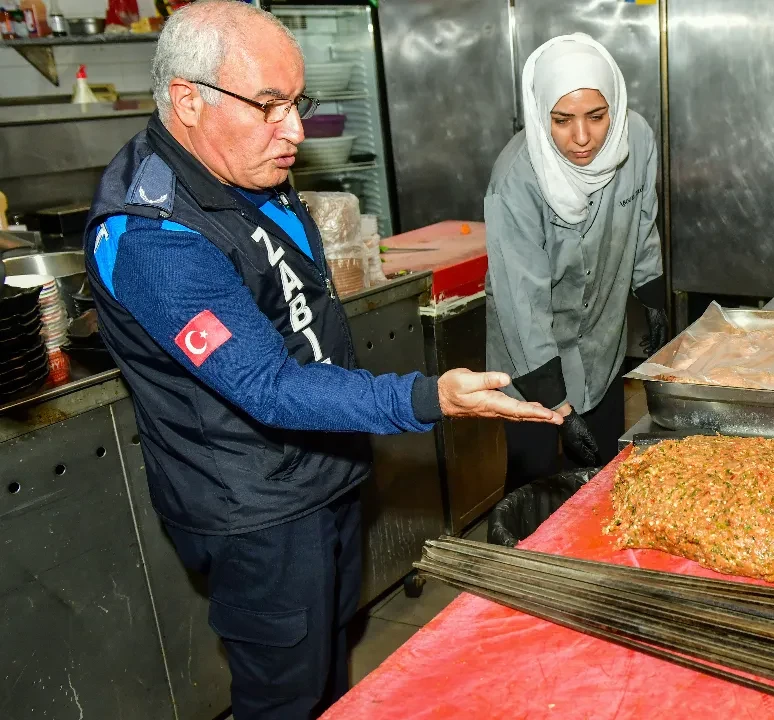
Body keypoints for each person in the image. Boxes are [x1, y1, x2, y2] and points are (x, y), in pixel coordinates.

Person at [82, 3, 560, 718]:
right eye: (270, 106)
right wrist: (430, 397)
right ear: (188, 100)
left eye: (297, 102)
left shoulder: (240, 162)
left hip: (322, 473)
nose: (297, 132)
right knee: (286, 694)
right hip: (260, 511)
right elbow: (268, 387)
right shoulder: (154, 237)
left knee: (336, 662)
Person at [485, 33, 668, 492]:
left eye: (597, 117)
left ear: (616, 109)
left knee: (606, 482)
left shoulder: (637, 140)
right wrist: (558, 409)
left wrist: (656, 302)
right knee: (534, 487)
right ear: (540, 111)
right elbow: (521, 305)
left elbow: (644, 224)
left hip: (602, 346)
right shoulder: (516, 179)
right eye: (562, 120)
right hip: (529, 361)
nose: (582, 138)